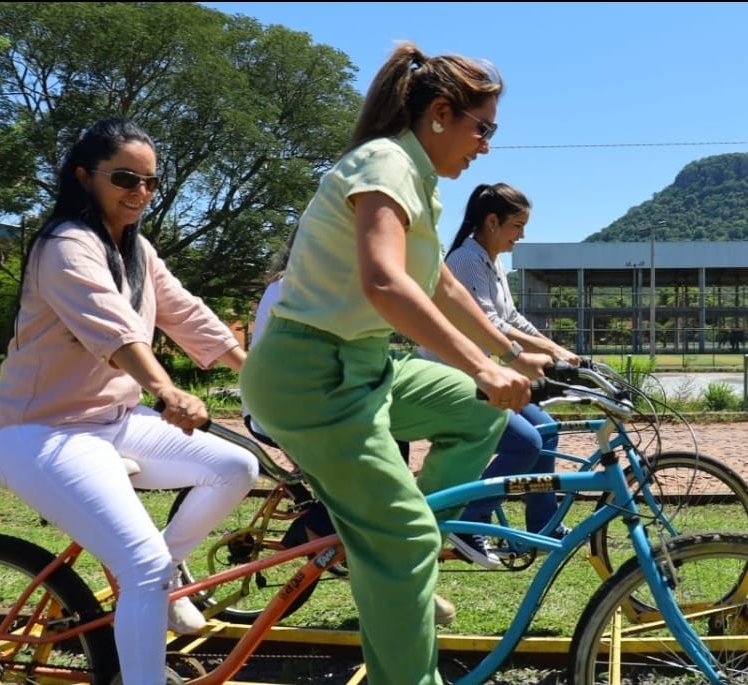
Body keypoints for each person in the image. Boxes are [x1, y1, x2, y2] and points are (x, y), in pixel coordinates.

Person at [239, 41, 551, 685]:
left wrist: (513, 351)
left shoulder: (417, 179)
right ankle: (402, 553)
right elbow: (386, 282)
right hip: (310, 377)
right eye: (482, 128)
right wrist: (483, 366)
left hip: (363, 365)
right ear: (441, 113)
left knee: (473, 413)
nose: (485, 145)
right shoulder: (385, 164)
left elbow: (440, 285)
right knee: (403, 539)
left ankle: (402, 542)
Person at [0, 116, 260, 685]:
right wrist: (165, 389)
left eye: (149, 183)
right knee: (141, 567)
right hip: (43, 431)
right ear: (84, 177)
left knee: (235, 465)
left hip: (112, 420)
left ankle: (163, 585)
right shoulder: (65, 246)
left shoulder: (136, 248)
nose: (139, 193)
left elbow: (186, 312)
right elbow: (116, 332)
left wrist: (255, 373)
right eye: (125, 179)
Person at [240, 233, 451, 624]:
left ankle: (347, 537)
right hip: (288, 408)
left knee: (391, 449)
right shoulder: (295, 287)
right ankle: (322, 533)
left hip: (318, 401)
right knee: (365, 478)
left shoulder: (312, 282)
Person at [419, 183, 581, 568]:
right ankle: (470, 518)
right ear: (492, 222)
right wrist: (544, 352)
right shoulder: (464, 260)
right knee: (524, 443)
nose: (522, 235)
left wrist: (553, 347)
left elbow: (511, 317)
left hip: (484, 375)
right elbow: (489, 323)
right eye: (517, 226)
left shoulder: (492, 262)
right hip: (457, 378)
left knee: (545, 431)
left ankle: (542, 524)